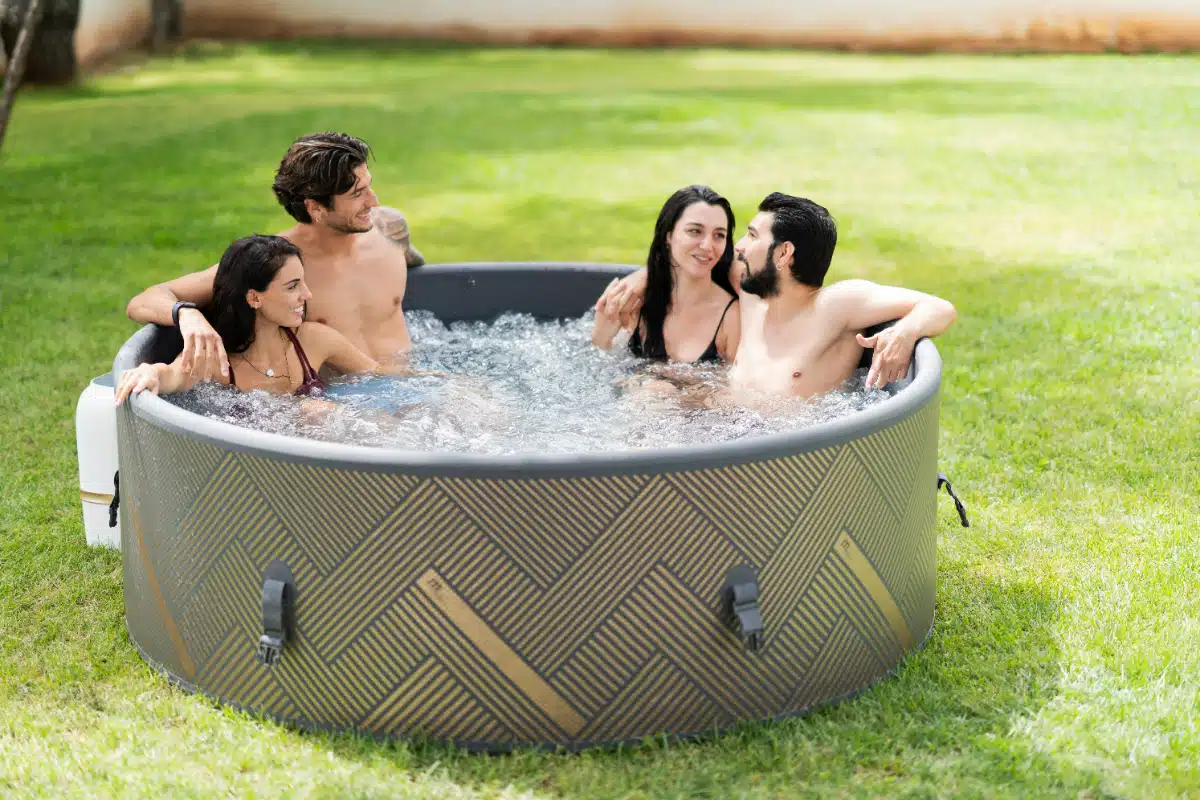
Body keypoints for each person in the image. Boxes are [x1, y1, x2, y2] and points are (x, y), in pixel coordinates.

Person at [124, 132, 425, 383]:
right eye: (357, 194)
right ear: (315, 207)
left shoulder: (390, 230)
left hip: (409, 385)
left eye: (369, 185)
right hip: (337, 407)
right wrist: (188, 315)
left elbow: (416, 265)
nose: (374, 200)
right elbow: (143, 301)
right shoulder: (276, 264)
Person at [598, 192, 957, 397]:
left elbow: (940, 307)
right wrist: (642, 278)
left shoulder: (836, 306)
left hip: (786, 460)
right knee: (649, 395)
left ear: (784, 254)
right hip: (721, 427)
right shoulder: (754, 295)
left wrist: (905, 333)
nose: (738, 246)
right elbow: (694, 257)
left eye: (752, 236)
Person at [115, 235, 387, 404]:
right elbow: (173, 375)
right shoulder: (218, 362)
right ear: (254, 298)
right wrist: (151, 372)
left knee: (320, 410)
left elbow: (383, 377)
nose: (307, 294)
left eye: (303, 282)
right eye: (292, 286)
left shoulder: (315, 340)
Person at [592, 185, 740, 363]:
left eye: (719, 235)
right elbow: (601, 366)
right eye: (695, 231)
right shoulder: (635, 301)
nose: (707, 246)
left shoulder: (731, 317)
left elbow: (733, 389)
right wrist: (601, 337)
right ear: (668, 236)